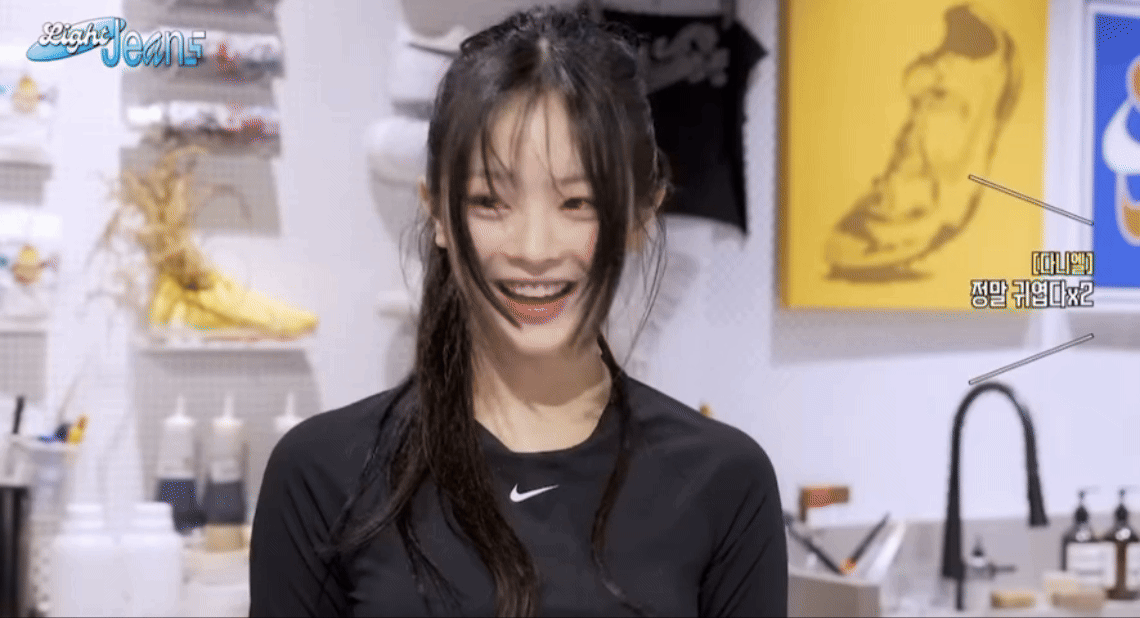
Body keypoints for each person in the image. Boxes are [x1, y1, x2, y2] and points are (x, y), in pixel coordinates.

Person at [249, 6, 787, 617]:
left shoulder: (724, 482)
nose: (534, 249)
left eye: (578, 202)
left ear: (641, 214)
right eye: (490, 201)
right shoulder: (322, 472)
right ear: (437, 211)